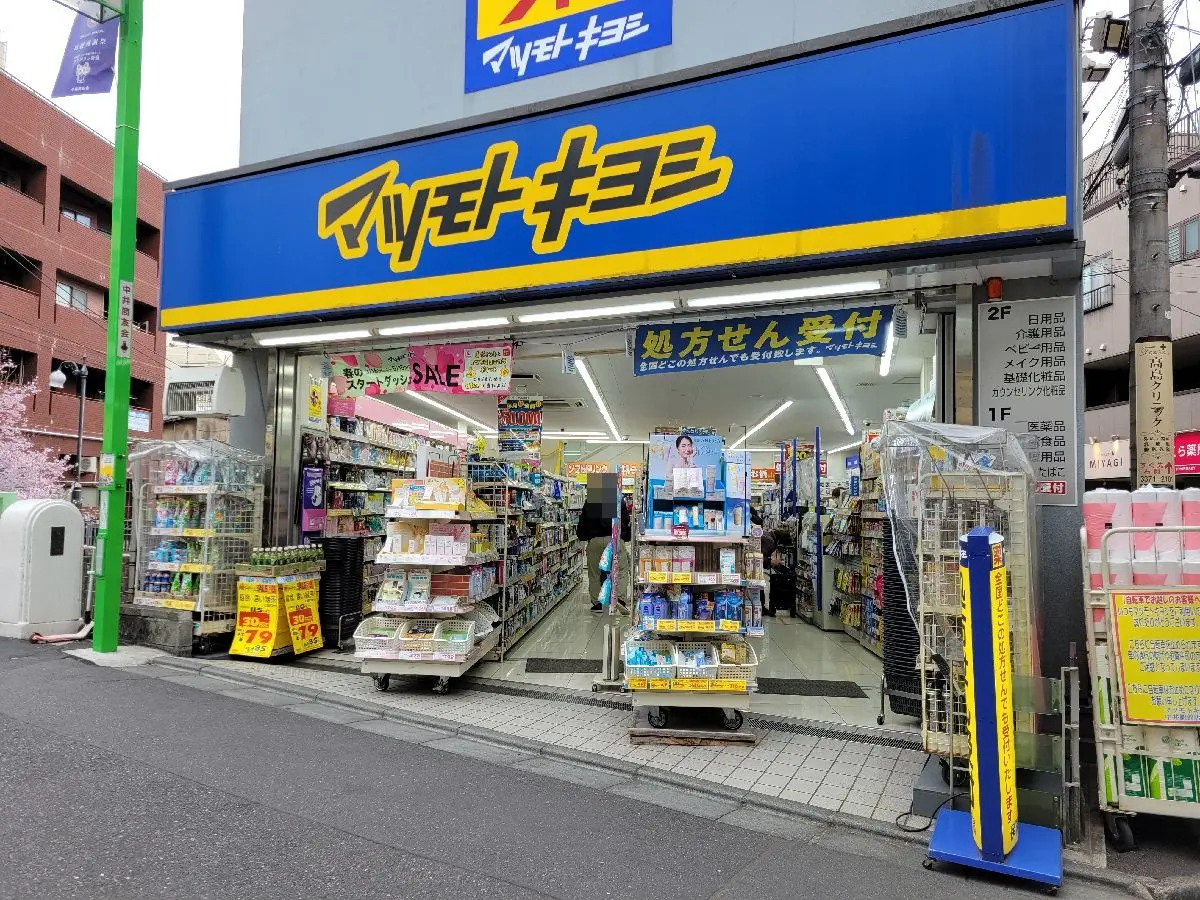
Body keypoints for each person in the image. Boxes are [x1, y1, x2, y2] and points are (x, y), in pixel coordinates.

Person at [576, 485, 632, 612]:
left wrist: (585, 536)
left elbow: (582, 523)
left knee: (594, 573)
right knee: (621, 570)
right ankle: (620, 599)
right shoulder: (618, 500)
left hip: (595, 541)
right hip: (614, 539)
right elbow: (625, 521)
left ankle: (597, 603)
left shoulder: (590, 501)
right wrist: (625, 537)